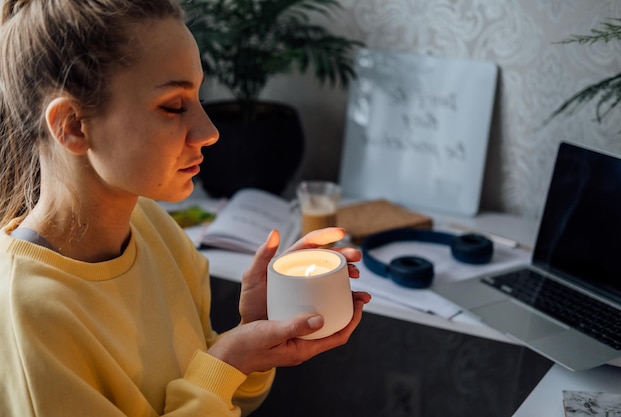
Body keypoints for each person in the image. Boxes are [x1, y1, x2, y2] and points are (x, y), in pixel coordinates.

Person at [0, 0, 371, 416]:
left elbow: (212, 397)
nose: (210, 131)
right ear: (72, 125)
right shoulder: (31, 311)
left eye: (199, 98)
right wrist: (226, 362)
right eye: (174, 106)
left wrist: (251, 339)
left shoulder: (153, 226)